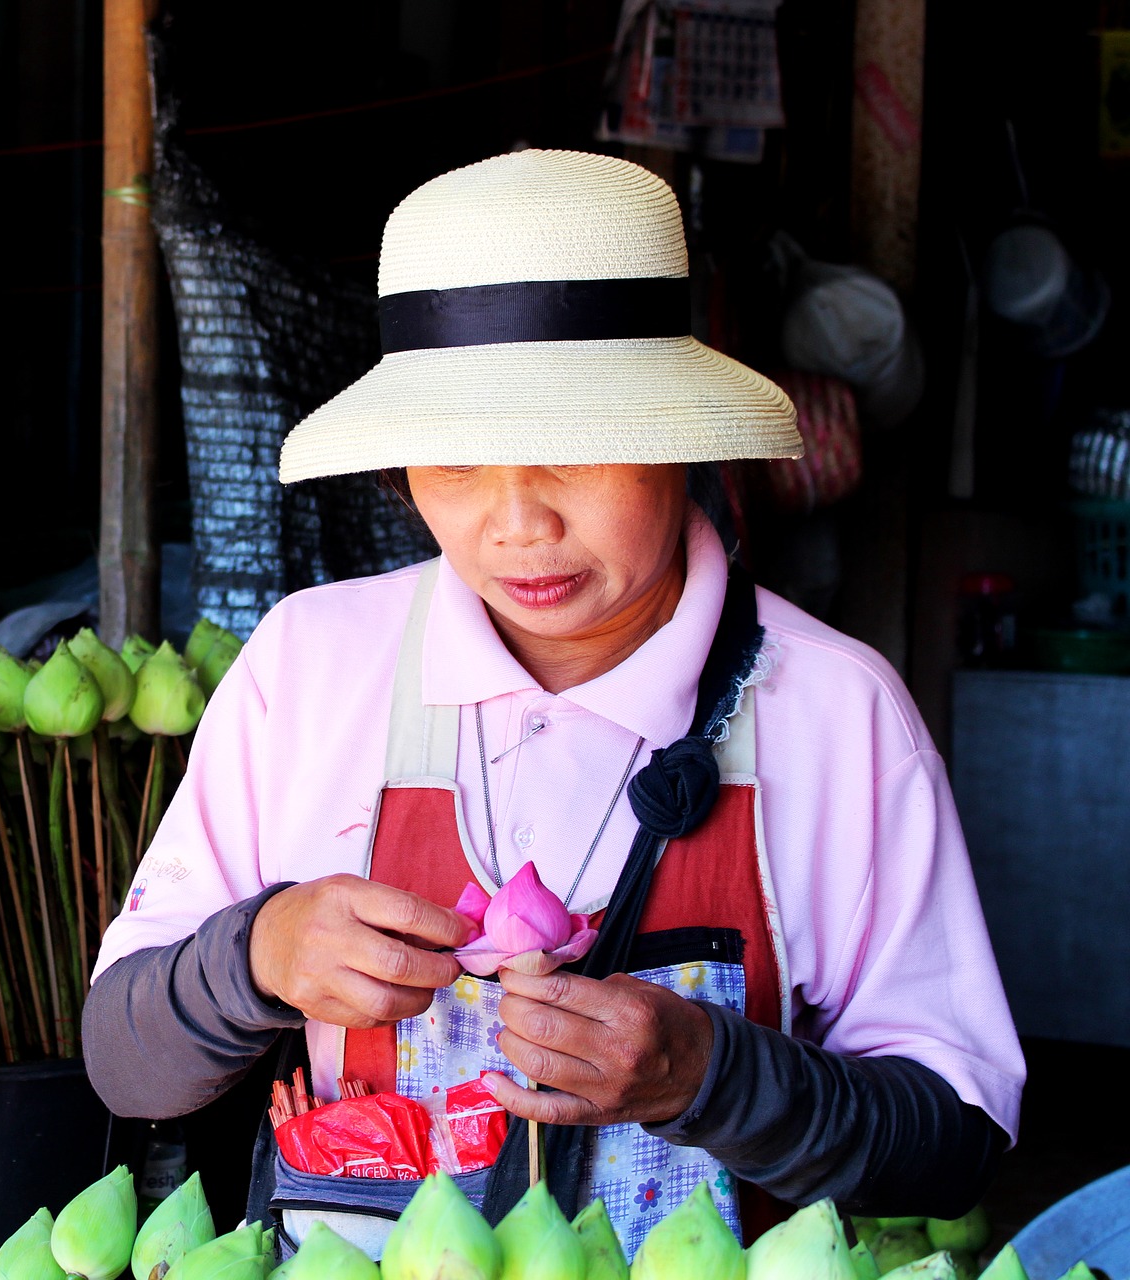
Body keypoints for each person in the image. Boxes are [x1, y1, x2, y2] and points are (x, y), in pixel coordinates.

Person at [81, 150, 1021, 1258]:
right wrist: (250, 955)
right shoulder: (311, 668)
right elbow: (123, 1059)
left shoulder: (833, 713)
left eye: (574, 449)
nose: (517, 523)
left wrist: (709, 1072)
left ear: (677, 436)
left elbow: (956, 1141)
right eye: (459, 463)